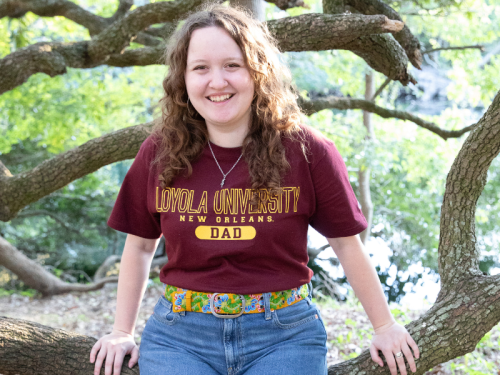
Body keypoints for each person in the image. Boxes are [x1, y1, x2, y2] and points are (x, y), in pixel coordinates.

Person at [89, 3, 420, 375]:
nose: (217, 82)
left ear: (259, 69)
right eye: (201, 68)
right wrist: (121, 331)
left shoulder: (308, 151)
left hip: (284, 336)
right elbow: (140, 246)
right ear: (183, 78)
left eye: (233, 65)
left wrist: (385, 326)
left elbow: (347, 244)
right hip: (179, 338)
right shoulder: (159, 152)